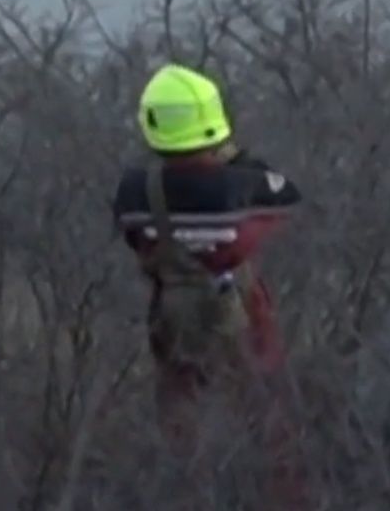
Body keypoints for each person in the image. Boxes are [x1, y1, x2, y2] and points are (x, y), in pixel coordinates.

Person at [111, 63, 306, 506]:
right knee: (269, 425)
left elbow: (135, 240)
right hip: (240, 319)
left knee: (181, 427)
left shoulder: (136, 190)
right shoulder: (240, 186)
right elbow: (287, 199)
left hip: (171, 320)